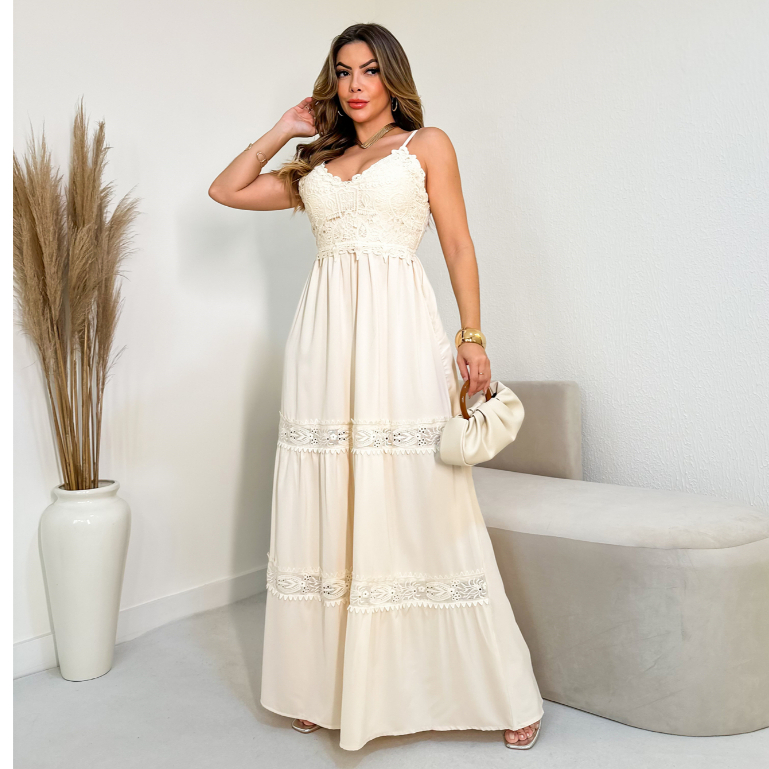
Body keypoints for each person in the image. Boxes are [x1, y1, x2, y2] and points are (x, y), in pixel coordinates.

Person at [208, 22, 544, 752]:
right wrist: (285, 127)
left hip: (400, 338)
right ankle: (319, 685)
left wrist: (472, 335)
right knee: (330, 504)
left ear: (392, 76)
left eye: (368, 69)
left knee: (424, 500)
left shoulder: (427, 146)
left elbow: (457, 243)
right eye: (343, 71)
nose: (355, 84)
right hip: (324, 347)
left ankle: (496, 690)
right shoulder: (318, 165)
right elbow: (225, 189)